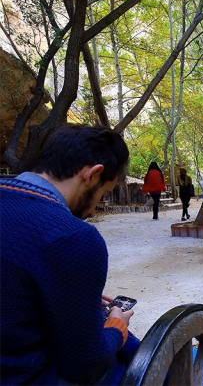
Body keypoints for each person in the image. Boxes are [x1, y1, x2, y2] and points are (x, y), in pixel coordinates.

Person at [0, 124, 139, 385]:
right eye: (103, 194)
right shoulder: (72, 237)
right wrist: (117, 326)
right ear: (93, 175)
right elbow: (84, 364)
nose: (93, 210)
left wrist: (70, 296)